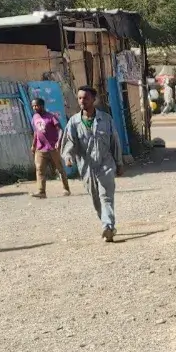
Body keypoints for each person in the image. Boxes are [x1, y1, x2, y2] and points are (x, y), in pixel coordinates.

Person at [61, 86, 123, 242]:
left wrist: (119, 162)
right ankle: (105, 223)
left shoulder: (106, 119)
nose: (82, 101)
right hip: (86, 167)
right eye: (80, 98)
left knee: (106, 196)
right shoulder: (74, 122)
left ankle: (108, 226)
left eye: (86, 98)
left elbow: (114, 141)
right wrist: (68, 156)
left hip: (105, 163)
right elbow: (69, 141)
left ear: (93, 100)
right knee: (96, 199)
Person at [28, 94, 70, 198]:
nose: (34, 108)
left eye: (36, 106)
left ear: (42, 106)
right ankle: (41, 192)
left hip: (52, 148)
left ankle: (66, 189)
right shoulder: (35, 117)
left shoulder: (51, 117)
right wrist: (33, 145)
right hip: (40, 148)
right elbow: (36, 132)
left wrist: (58, 141)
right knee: (39, 169)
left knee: (59, 169)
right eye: (33, 106)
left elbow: (60, 130)